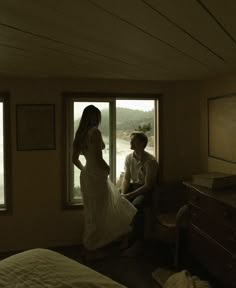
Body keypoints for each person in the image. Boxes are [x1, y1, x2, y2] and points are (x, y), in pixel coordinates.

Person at [72, 105, 137, 258]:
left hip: (88, 175)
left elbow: (74, 160)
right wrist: (106, 168)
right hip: (96, 175)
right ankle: (91, 248)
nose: (98, 120)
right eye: (97, 117)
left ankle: (89, 247)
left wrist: (85, 170)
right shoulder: (94, 132)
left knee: (92, 212)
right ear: (94, 117)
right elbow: (99, 158)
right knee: (99, 212)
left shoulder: (80, 134)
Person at [121, 131, 159, 256]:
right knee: (117, 200)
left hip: (145, 190)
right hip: (133, 187)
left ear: (142, 143)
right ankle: (126, 238)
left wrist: (129, 196)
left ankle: (139, 243)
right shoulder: (129, 158)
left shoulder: (150, 161)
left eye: (133, 140)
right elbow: (126, 179)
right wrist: (123, 194)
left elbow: (148, 185)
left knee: (137, 205)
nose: (130, 142)